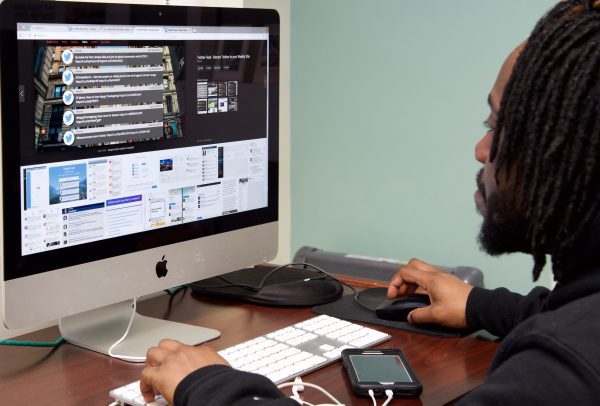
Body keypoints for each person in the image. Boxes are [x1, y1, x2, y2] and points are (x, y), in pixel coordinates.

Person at [140, 1, 600, 404]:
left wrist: (209, 385)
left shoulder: (557, 373)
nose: (481, 150)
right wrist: (482, 306)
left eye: (499, 125)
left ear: (571, 155)